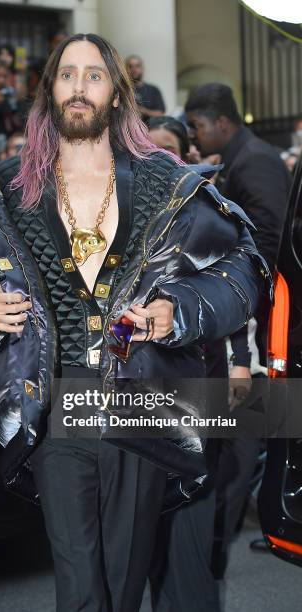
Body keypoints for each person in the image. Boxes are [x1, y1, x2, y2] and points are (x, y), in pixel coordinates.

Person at [0, 35, 268, 612]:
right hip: (55, 402)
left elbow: (241, 268)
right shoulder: (5, 190)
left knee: (123, 579)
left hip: (141, 402)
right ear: (50, 91)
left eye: (94, 76)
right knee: (80, 585)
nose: (79, 86)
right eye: (67, 75)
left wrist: (177, 310)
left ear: (114, 94)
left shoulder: (169, 184)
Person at [185, 82, 290, 578]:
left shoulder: (254, 161)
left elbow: (268, 234)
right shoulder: (240, 159)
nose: (195, 135)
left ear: (221, 122)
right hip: (244, 324)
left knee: (251, 438)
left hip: (261, 318)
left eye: (198, 126)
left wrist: (242, 288)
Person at [148, 118, 222, 612]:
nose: (159, 161)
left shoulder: (210, 214)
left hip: (197, 395)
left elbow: (238, 297)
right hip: (132, 406)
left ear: (189, 153)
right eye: (147, 151)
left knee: (190, 541)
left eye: (169, 150)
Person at [125, 54, 165, 123]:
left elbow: (160, 113)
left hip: (150, 129)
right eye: (130, 66)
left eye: (137, 66)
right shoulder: (121, 90)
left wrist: (143, 111)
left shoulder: (153, 90)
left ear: (142, 68)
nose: (134, 69)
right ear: (125, 69)